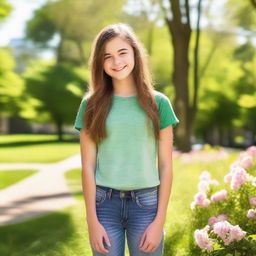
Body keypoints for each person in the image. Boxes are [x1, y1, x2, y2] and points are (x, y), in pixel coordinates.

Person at [74, 23, 179, 256]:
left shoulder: (159, 103)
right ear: (100, 63)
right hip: (104, 204)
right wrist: (92, 221)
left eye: (122, 52)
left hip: (146, 205)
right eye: (107, 56)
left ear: (135, 53)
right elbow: (88, 166)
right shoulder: (90, 105)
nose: (116, 62)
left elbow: (165, 166)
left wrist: (159, 221)